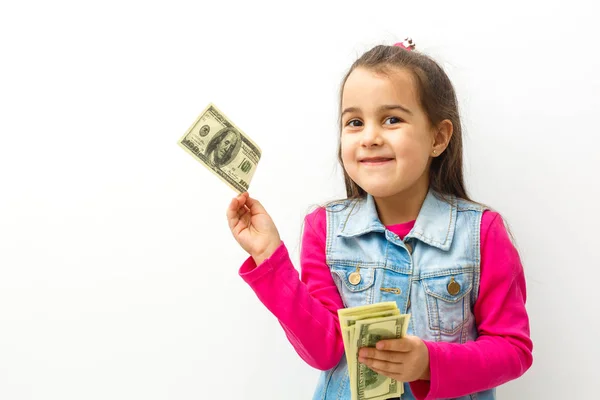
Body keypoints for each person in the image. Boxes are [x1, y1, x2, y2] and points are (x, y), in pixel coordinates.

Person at [226, 38, 533, 400]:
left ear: (438, 137)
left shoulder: (481, 233)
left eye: (391, 119)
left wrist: (428, 364)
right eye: (354, 122)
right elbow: (323, 350)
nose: (370, 137)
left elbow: (513, 350)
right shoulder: (324, 230)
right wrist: (268, 257)